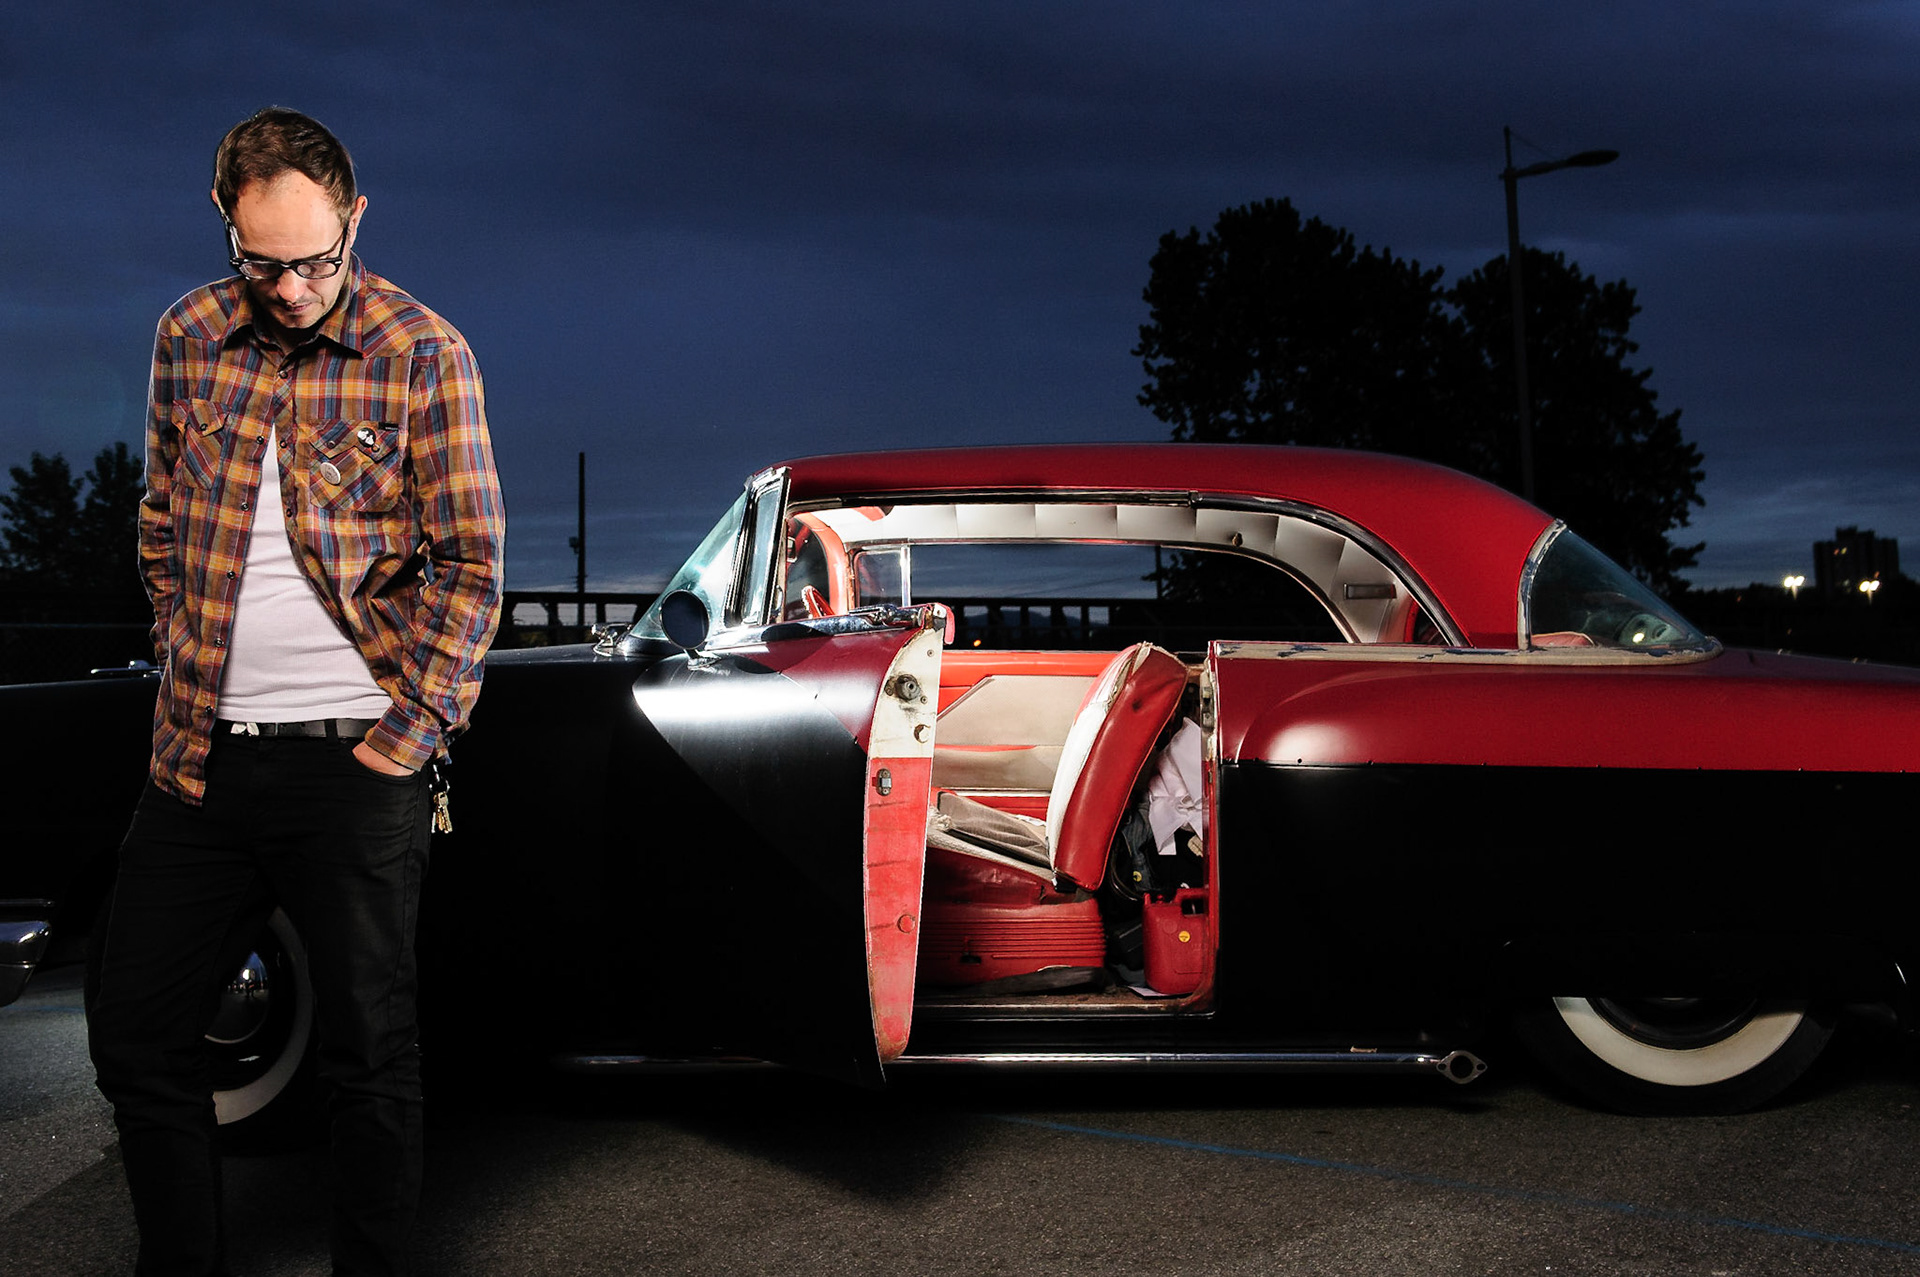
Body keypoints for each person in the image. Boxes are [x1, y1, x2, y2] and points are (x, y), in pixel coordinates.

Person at [87, 106, 505, 1276]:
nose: (291, 287)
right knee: (135, 1036)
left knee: (369, 1051)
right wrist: (177, 638)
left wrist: (406, 735)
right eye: (263, 263)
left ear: (355, 221)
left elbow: (473, 563)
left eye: (316, 259)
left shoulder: (424, 351)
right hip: (198, 757)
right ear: (227, 229)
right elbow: (160, 518)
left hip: (355, 756)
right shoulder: (188, 334)